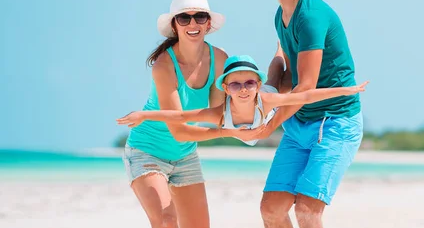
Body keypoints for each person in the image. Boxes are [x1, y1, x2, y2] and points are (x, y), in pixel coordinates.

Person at [250, 0, 366, 228]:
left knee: (306, 210)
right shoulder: (282, 13)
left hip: (334, 123)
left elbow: (306, 87)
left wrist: (267, 123)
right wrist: (268, 82)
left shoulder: (312, 15)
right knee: (271, 208)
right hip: (300, 123)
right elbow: (282, 58)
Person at [121, 0, 239, 228]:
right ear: (174, 24)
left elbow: (219, 115)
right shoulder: (163, 64)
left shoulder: (220, 59)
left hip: (185, 157)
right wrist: (232, 132)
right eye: (184, 17)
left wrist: (244, 120)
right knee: (168, 226)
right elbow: (181, 130)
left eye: (199, 17)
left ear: (208, 24)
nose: (192, 23)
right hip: (147, 152)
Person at [117, 55, 368, 146]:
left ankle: (280, 51)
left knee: (283, 80)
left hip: (269, 106)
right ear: (226, 88)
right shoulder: (219, 114)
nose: (243, 89)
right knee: (279, 82)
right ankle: (278, 54)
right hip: (250, 122)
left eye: (249, 83)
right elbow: (181, 117)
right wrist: (143, 114)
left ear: (255, 85)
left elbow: (306, 96)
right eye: (236, 85)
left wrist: (346, 90)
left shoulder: (264, 98)